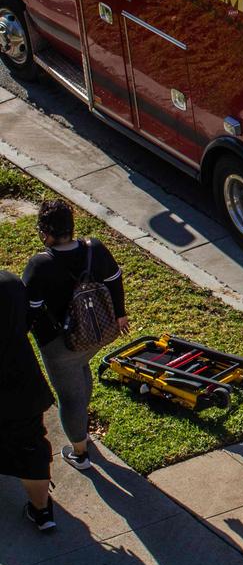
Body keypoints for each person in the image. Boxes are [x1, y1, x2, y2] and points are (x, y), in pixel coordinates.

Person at [22, 199, 128, 471]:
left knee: (69, 396)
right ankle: (83, 426)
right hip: (98, 334)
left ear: (45, 232)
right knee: (81, 372)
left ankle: (79, 452)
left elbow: (30, 310)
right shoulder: (96, 249)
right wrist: (119, 314)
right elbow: (114, 279)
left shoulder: (40, 265)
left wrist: (22, 338)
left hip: (61, 345)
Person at [0, 271, 57, 532]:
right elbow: (26, 321)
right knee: (31, 445)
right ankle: (42, 510)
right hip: (21, 380)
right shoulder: (10, 283)